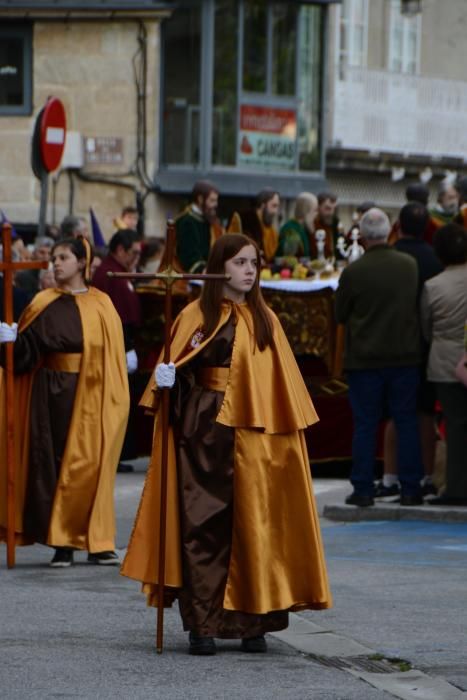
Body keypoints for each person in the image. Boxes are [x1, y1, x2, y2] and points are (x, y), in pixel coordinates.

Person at [121, 233, 332, 655]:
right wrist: (169, 382)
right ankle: (203, 623)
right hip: (204, 433)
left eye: (254, 262)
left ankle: (253, 623)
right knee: (203, 525)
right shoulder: (195, 315)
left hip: (254, 442)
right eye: (239, 262)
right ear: (220, 267)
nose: (249, 270)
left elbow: (279, 390)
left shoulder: (265, 319)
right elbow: (179, 371)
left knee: (255, 526)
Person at [0, 237, 129, 566]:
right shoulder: (43, 302)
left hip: (94, 395)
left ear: (82, 263)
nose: (56, 263)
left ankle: (97, 542)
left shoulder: (103, 305)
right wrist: (10, 344)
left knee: (92, 465)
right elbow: (27, 357)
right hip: (50, 398)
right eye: (54, 257)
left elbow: (111, 355)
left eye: (64, 257)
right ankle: (63, 542)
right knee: (55, 465)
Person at [335, 208, 424, 507]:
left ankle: (362, 489)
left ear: (361, 234)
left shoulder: (353, 272)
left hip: (364, 359)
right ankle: (411, 488)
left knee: (365, 424)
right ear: (389, 232)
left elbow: (340, 314)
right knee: (406, 421)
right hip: (404, 357)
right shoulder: (408, 265)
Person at [377, 202, 443, 500]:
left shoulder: (391, 257)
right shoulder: (435, 259)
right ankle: (427, 476)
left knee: (395, 413)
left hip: (393, 346)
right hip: (427, 346)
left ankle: (390, 477)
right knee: (425, 414)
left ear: (398, 226)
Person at [420, 224, 467, 505]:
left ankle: (457, 487)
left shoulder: (432, 286)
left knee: (455, 426)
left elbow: (426, 328)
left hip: (446, 363)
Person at [92, 229, 142, 471]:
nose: (135, 259)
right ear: (120, 250)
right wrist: (127, 348)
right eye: (133, 253)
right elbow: (116, 316)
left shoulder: (119, 271)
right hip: (116, 347)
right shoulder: (109, 274)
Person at [175, 180, 222, 273]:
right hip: (187, 278)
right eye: (212, 200)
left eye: (216, 201)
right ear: (200, 199)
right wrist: (204, 270)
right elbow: (189, 257)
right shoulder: (186, 221)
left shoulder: (208, 219)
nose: (216, 205)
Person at [228, 189, 280, 262]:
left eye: (277, 207)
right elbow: (231, 245)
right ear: (263, 205)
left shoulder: (271, 229)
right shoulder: (244, 220)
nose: (275, 211)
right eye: (273, 206)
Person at [276, 192, 317, 258]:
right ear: (305, 210)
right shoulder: (290, 228)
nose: (316, 214)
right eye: (314, 210)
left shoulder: (303, 228)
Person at [15, 235, 54, 302]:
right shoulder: (24, 276)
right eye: (42, 252)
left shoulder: (58, 275)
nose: (46, 257)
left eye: (49, 253)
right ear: (34, 253)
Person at [312, 192, 342, 259]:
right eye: (327, 208)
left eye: (333, 209)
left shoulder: (335, 222)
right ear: (318, 206)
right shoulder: (312, 223)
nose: (331, 212)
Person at [427, 179, 459, 243]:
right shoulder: (430, 215)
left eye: (456, 197)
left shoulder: (460, 215)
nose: (454, 202)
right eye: (450, 197)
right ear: (440, 198)